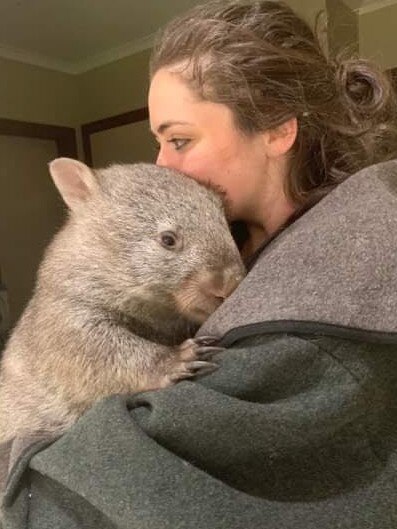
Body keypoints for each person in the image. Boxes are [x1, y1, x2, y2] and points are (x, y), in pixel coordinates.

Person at [2, 1, 397, 528]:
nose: (163, 163)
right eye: (159, 142)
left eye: (180, 139)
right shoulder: (264, 234)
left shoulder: (324, 307)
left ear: (279, 130)